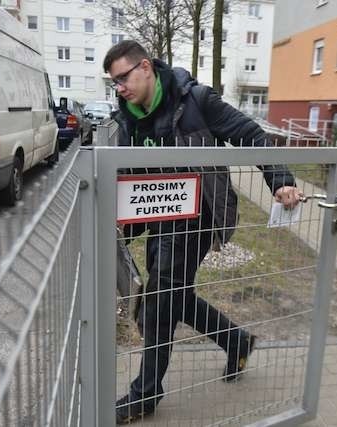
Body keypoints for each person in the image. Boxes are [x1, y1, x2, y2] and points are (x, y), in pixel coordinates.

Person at [104, 40, 303, 424]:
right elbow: (128, 172)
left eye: (123, 78)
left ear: (145, 67)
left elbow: (252, 135)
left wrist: (279, 180)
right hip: (157, 217)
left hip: (197, 216)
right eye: (113, 82)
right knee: (174, 295)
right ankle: (236, 339)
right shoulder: (127, 115)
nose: (119, 88)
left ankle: (145, 394)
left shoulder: (195, 99)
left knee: (160, 300)